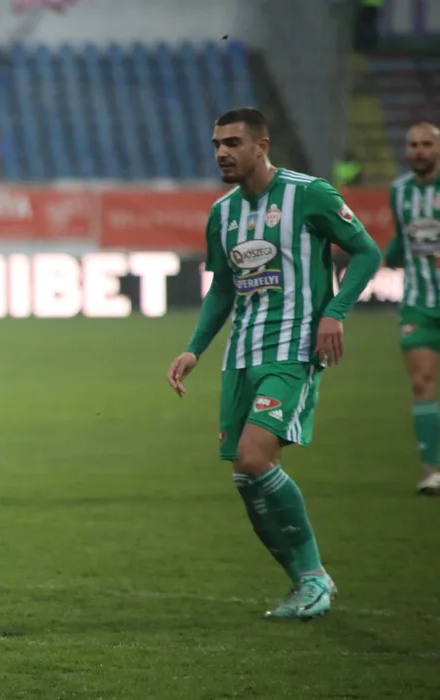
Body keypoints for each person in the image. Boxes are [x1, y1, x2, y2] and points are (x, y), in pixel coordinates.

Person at [166, 108, 381, 621]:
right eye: (217, 144)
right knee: (246, 477)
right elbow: (223, 287)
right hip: (241, 355)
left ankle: (314, 576)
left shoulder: (309, 194)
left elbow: (367, 253)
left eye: (233, 143)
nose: (222, 152)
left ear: (261, 146)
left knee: (255, 457)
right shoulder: (222, 213)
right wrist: (195, 348)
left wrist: (334, 313)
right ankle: (304, 581)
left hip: (293, 350)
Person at [382, 122, 440, 495]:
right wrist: (384, 258)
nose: (419, 151)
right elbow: (403, 240)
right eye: (413, 145)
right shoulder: (399, 190)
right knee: (421, 382)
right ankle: (433, 471)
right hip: (418, 304)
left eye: (426, 144)